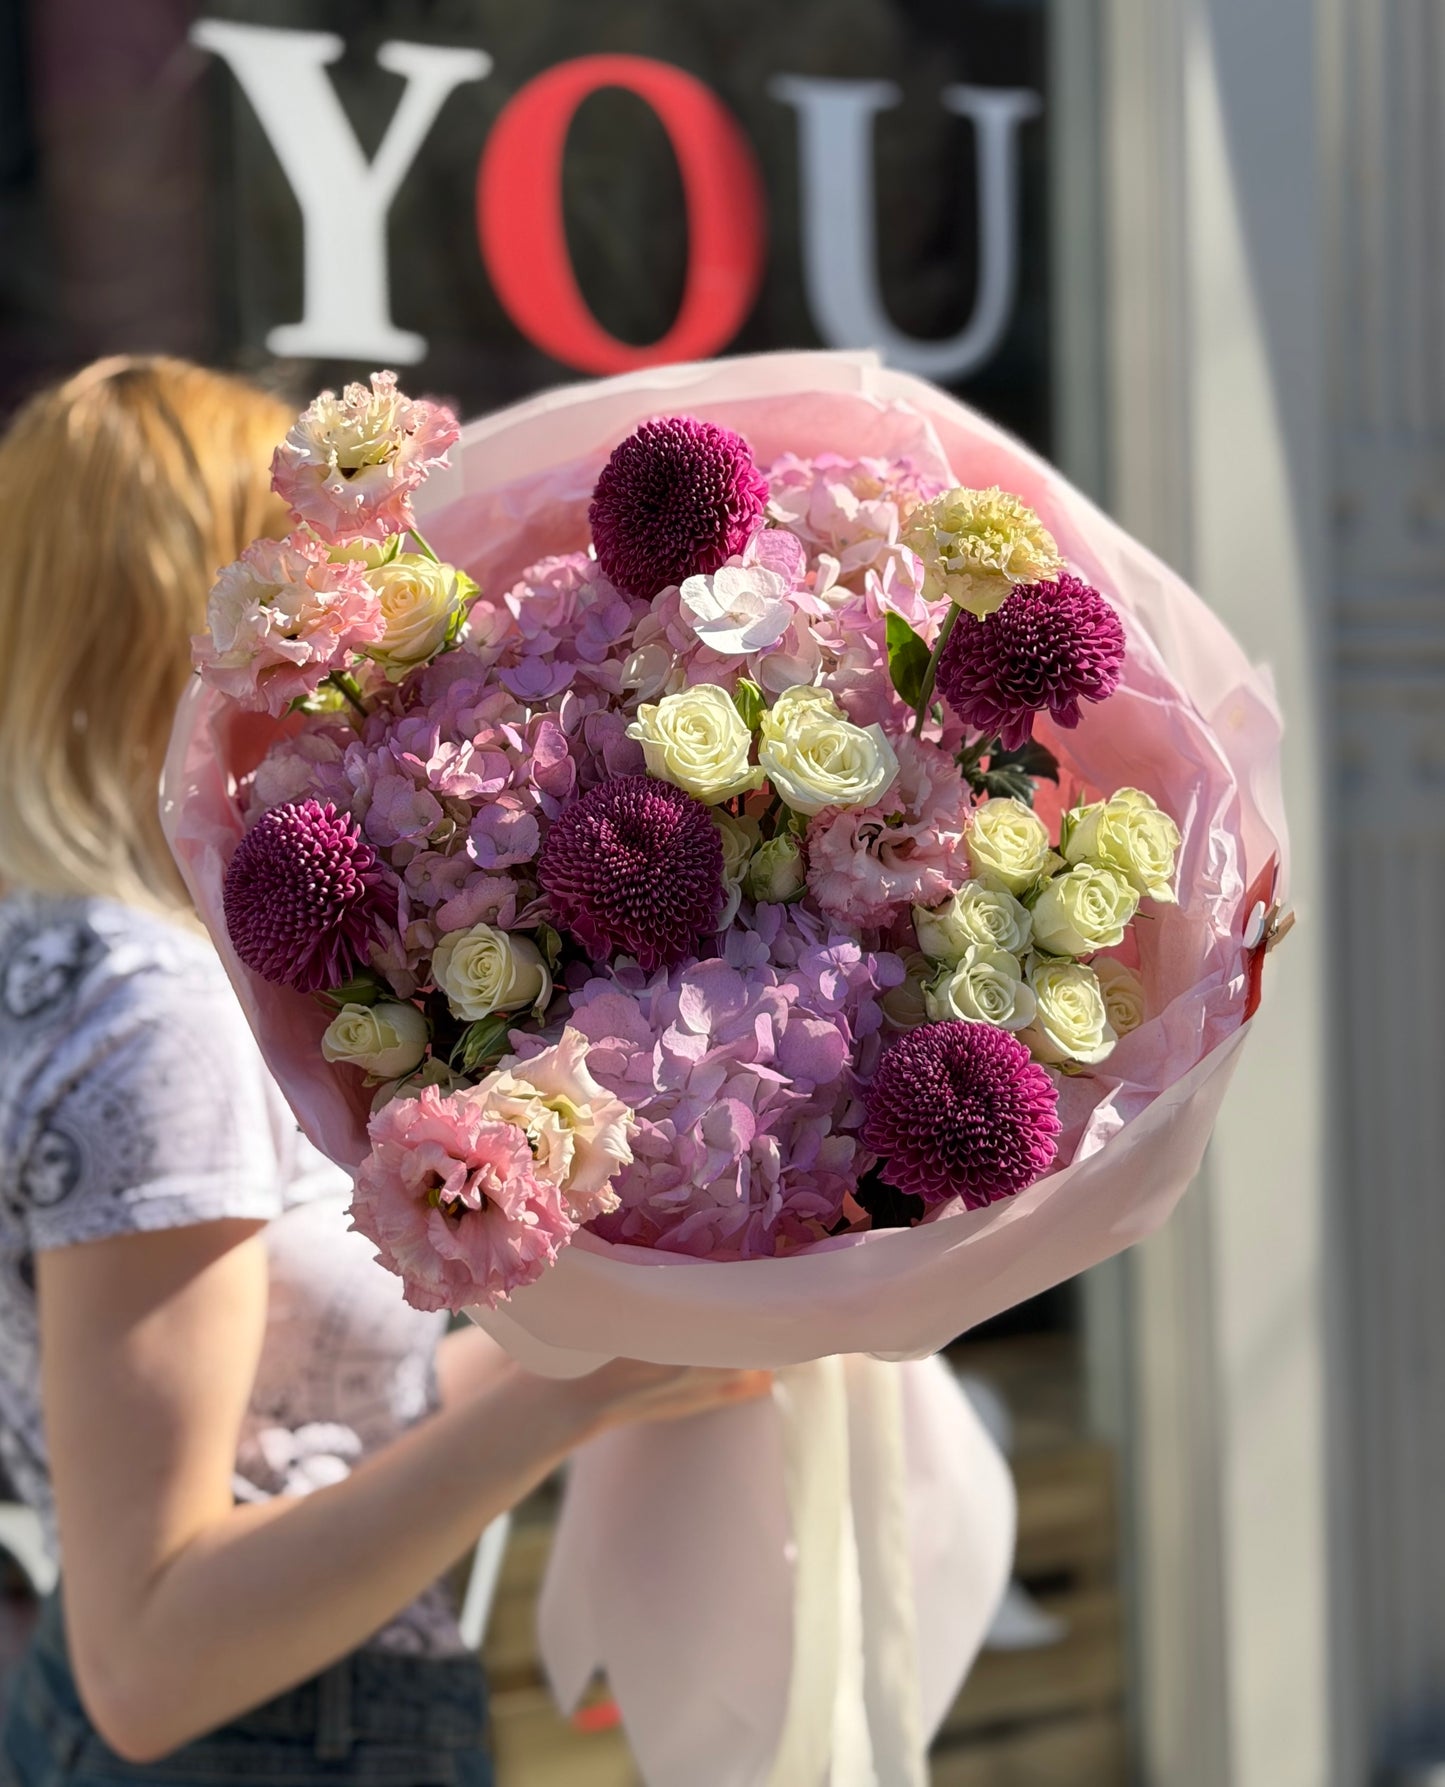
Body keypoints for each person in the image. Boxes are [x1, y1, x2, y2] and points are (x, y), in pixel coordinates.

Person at [0, 356, 767, 1784]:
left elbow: (300, 1431)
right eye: (297, 592)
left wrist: (641, 1344)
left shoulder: (60, 954)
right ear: (191, 624)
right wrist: (566, 1399)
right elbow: (149, 1659)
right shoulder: (150, 1012)